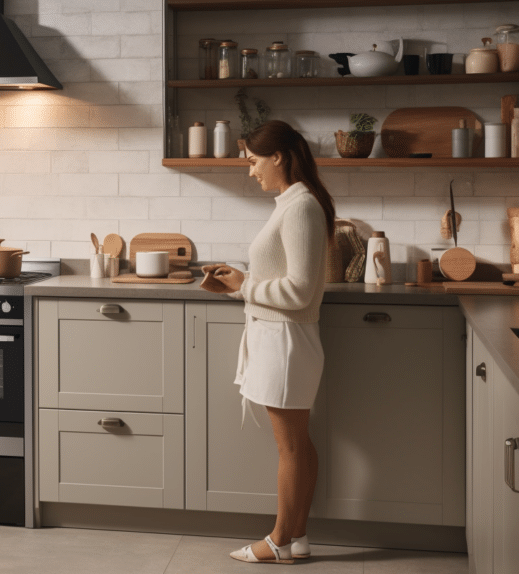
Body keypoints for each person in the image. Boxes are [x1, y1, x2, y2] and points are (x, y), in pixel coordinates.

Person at [199, 120, 335, 565]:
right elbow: (285, 278)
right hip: (281, 339)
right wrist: (242, 282)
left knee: (291, 448)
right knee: (299, 443)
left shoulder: (300, 207)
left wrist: (244, 284)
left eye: (254, 161)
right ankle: (296, 540)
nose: (250, 170)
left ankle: (277, 540)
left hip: (286, 341)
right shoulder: (293, 204)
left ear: (278, 156)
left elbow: (298, 290)